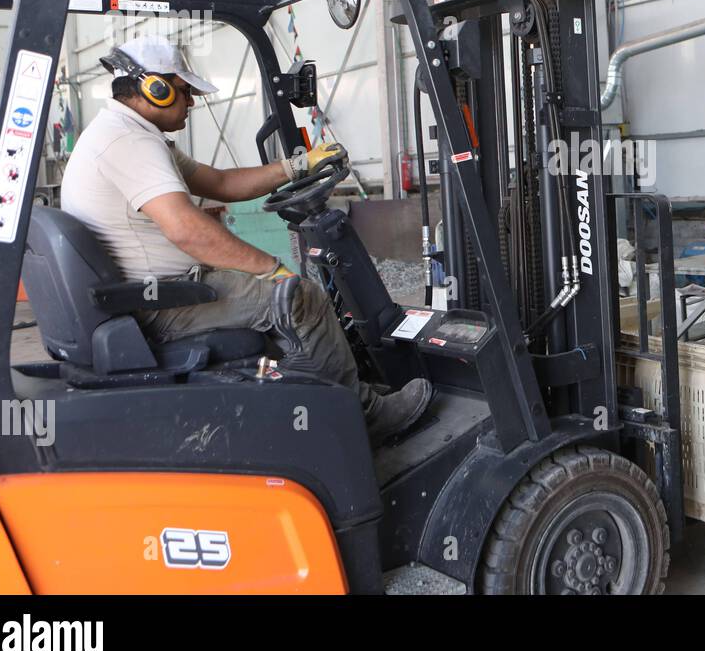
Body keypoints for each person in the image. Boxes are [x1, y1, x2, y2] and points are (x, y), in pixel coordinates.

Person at [60, 34, 431, 447]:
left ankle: (333, 394)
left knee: (284, 291)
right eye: (185, 92)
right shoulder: (126, 142)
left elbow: (220, 183)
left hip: (152, 294)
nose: (193, 103)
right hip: (162, 304)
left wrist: (295, 166)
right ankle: (366, 418)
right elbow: (184, 228)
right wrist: (271, 269)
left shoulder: (133, 134)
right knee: (299, 297)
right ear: (156, 88)